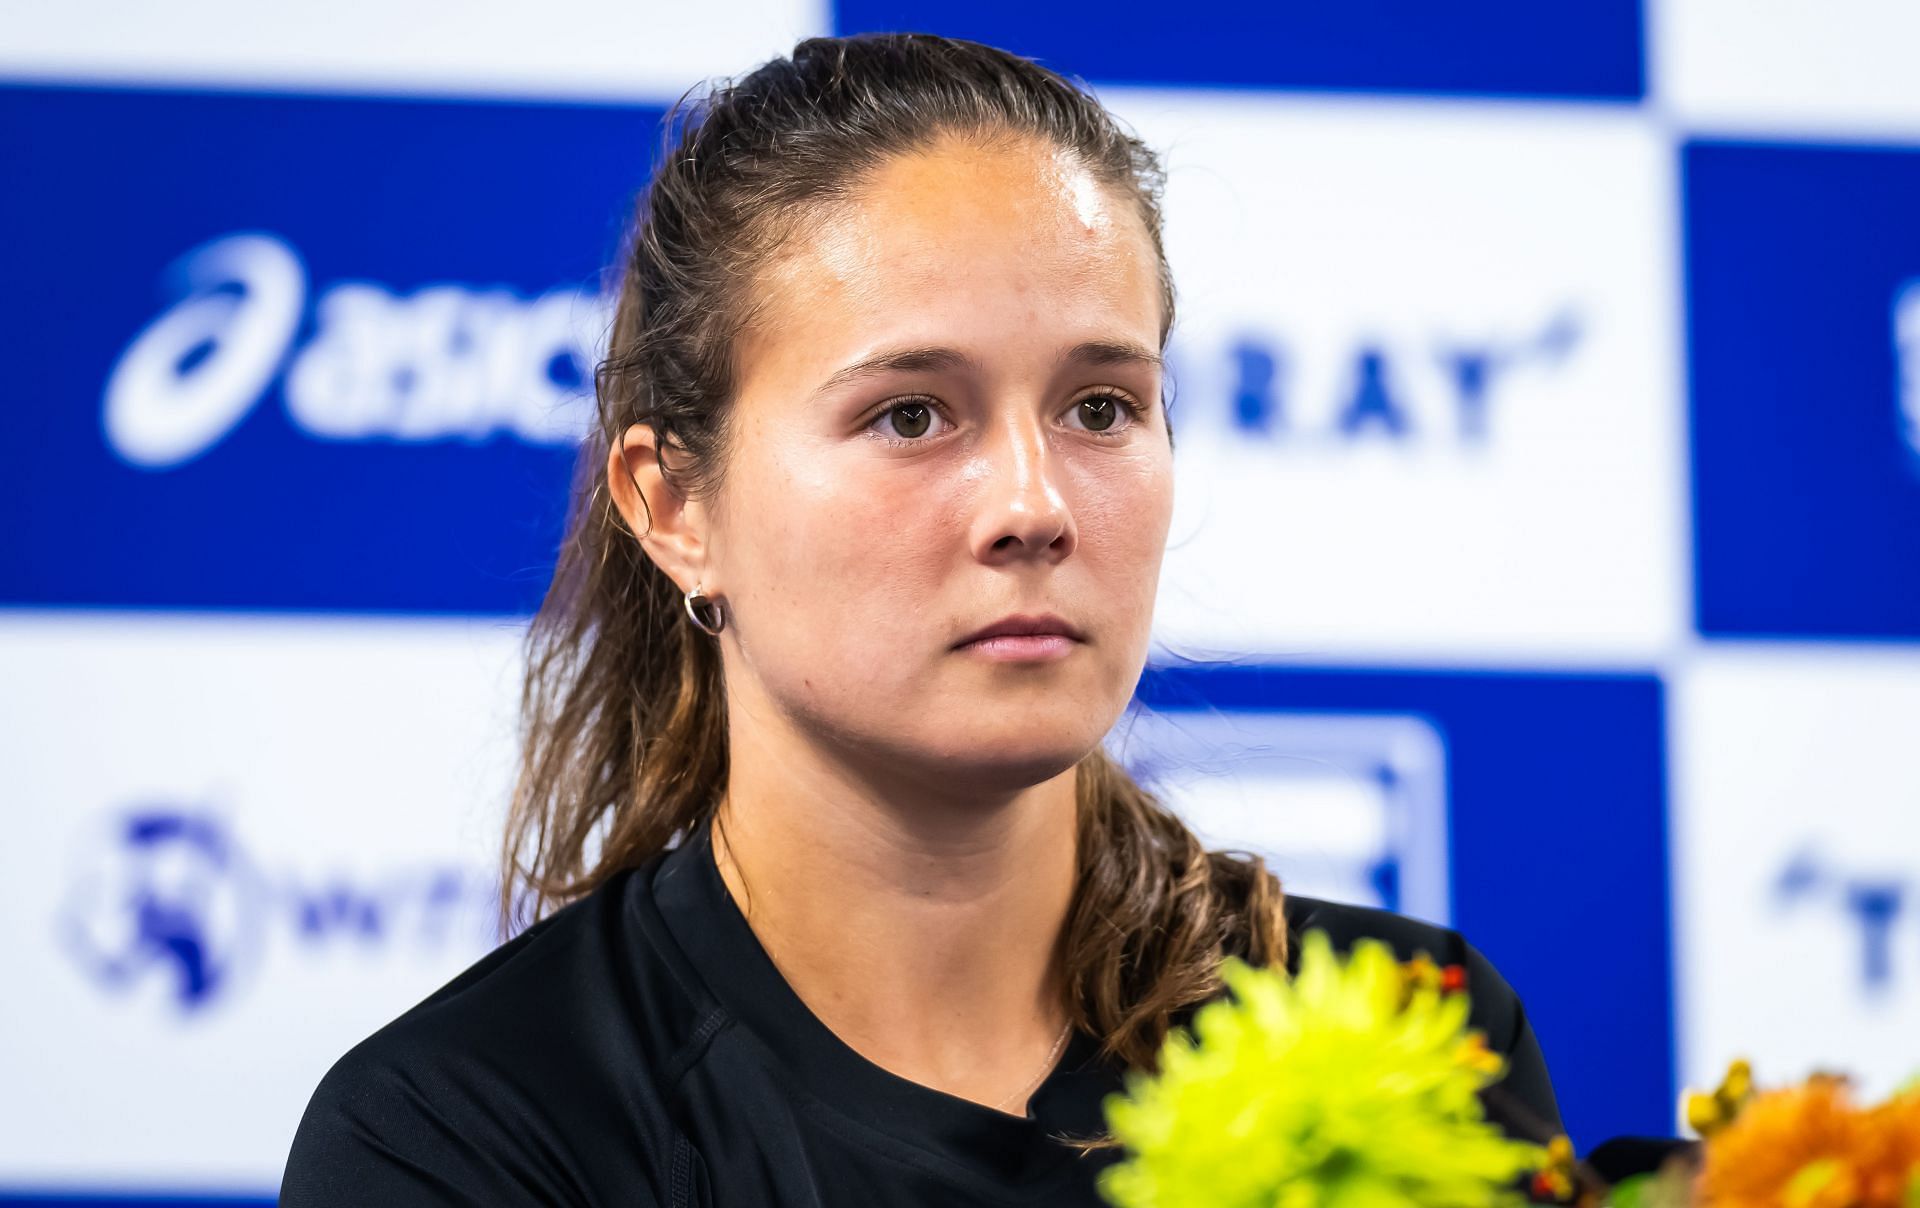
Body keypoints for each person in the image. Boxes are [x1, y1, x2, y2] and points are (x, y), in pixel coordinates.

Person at [280, 32, 1563, 1206]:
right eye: (911, 414)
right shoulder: (465, 1134)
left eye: (1102, 406)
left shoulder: (1413, 1036)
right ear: (673, 505)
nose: (1034, 504)